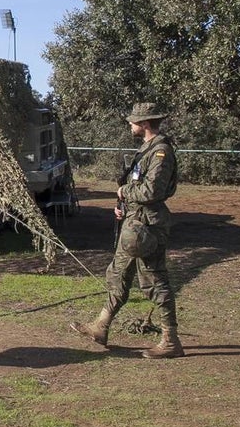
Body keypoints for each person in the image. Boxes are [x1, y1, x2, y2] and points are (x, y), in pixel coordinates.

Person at [70, 102, 185, 359]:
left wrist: (124, 192)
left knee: (154, 281)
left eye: (133, 121)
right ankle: (100, 326)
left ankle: (171, 340)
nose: (130, 125)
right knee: (119, 275)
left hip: (147, 227)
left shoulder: (160, 153)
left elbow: (152, 191)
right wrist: (123, 205)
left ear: (144, 124)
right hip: (135, 222)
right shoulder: (147, 150)